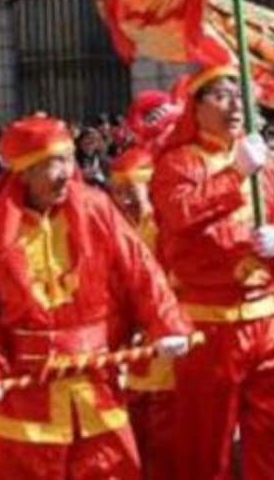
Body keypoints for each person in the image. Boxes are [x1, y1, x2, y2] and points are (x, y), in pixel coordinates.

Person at [0, 115, 192, 479]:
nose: (66, 172)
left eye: (69, 159)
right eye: (54, 162)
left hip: (95, 385)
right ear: (24, 171)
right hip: (25, 395)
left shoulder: (97, 208)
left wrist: (166, 323)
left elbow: (141, 270)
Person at [151, 63, 274, 480]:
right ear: (196, 106)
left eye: (239, 94)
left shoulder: (269, 163)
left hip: (272, 319)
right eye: (221, 95)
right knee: (207, 444)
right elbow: (181, 217)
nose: (234, 104)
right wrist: (234, 174)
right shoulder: (177, 164)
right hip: (210, 326)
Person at [107, 146, 174, 479]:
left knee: (164, 436)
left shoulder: (165, 228)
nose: (124, 200)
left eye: (131, 191)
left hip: (166, 344)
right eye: (117, 193)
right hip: (135, 350)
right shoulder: (117, 229)